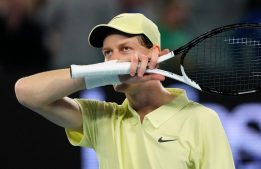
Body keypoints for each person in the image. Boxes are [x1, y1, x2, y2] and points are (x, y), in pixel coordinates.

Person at [14, 13, 236, 169]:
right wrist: (106, 73)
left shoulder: (201, 119)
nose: (113, 59)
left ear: (155, 55)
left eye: (125, 49)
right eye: (108, 53)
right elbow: (25, 91)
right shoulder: (103, 118)